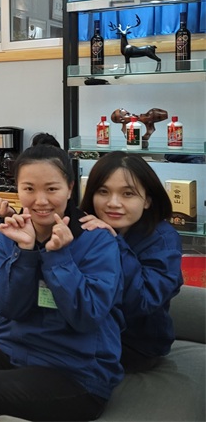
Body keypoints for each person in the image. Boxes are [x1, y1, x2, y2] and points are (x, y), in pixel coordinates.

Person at [0, 144, 124, 421]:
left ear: (69, 188)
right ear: (17, 189)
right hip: (17, 353)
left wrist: (58, 257)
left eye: (51, 189)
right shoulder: (11, 234)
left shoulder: (97, 240)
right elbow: (4, 307)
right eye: (29, 189)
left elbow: (87, 316)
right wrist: (25, 254)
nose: (41, 200)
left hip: (77, 371)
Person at [79, 151, 183, 372]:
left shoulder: (163, 240)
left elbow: (143, 301)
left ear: (147, 200)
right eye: (103, 191)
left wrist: (114, 243)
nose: (113, 203)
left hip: (136, 344)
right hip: (91, 330)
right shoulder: (87, 228)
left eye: (128, 194)